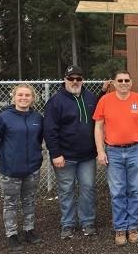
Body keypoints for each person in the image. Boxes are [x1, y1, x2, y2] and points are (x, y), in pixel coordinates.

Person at [93, 71, 138, 246]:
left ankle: (132, 227)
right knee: (117, 191)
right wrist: (100, 151)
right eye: (120, 80)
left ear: (131, 82)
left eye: (126, 80)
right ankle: (120, 228)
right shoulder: (105, 100)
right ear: (114, 82)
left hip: (135, 149)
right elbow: (98, 127)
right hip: (113, 151)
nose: (123, 83)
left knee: (134, 190)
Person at [43, 65, 99, 239]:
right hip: (64, 156)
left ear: (83, 80)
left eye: (78, 78)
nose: (75, 82)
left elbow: (100, 120)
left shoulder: (91, 97)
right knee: (66, 190)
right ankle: (68, 224)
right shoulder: (56, 101)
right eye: (71, 78)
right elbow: (49, 130)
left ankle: (87, 222)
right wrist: (55, 154)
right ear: (65, 79)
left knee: (88, 188)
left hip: (87, 156)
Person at [0, 84, 45, 251]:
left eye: (27, 95)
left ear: (32, 98)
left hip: (32, 168)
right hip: (10, 170)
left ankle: (29, 230)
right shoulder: (4, 117)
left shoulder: (37, 118)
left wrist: (35, 158)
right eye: (20, 94)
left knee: (29, 201)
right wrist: (7, 156)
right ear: (14, 97)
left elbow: (39, 139)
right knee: (10, 202)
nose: (24, 98)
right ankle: (12, 234)